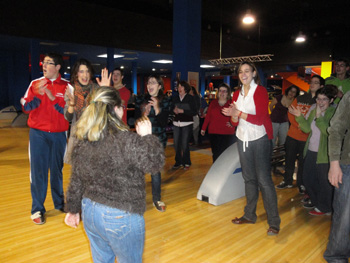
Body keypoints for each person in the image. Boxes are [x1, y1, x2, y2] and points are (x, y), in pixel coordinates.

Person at [64, 86, 164, 263]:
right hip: (120, 215)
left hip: (90, 212)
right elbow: (154, 163)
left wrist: (73, 209)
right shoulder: (127, 140)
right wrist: (147, 137)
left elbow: (76, 180)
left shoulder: (84, 140)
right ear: (117, 109)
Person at [222, 61, 280, 235]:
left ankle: (274, 222)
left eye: (247, 71)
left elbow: (260, 118)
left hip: (259, 138)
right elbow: (235, 122)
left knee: (264, 180)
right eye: (240, 72)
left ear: (254, 73)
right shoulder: (237, 94)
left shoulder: (260, 91)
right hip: (242, 138)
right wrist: (233, 115)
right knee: (248, 179)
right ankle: (249, 215)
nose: (243, 74)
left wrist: (238, 113)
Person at [20, 53, 69, 224]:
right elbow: (25, 107)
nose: (44, 65)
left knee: (57, 170)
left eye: (49, 63)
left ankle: (59, 203)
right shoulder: (34, 84)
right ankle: (37, 209)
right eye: (44, 62)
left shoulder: (67, 87)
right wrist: (37, 94)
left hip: (59, 134)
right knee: (38, 171)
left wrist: (53, 98)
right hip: (38, 134)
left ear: (57, 67)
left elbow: (70, 112)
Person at [289, 85, 337, 216]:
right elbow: (306, 129)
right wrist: (299, 117)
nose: (320, 102)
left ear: (331, 100)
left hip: (325, 154)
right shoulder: (313, 109)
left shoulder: (333, 112)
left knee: (324, 182)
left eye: (324, 100)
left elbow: (328, 131)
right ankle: (318, 202)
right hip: (310, 150)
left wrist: (319, 117)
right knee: (308, 179)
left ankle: (325, 207)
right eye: (318, 99)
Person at [276, 75, 324, 191]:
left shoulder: (320, 101)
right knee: (289, 159)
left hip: (307, 139)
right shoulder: (301, 98)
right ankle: (287, 180)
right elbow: (291, 112)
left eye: (315, 83)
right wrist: (300, 125)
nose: (312, 84)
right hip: (293, 135)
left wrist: (304, 127)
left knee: (303, 163)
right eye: (311, 82)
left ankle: (301, 183)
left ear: (321, 86)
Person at [134, 75, 171, 212]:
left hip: (158, 140)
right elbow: (135, 121)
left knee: (155, 171)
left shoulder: (165, 101)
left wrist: (156, 108)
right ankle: (136, 198)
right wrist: (144, 113)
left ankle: (157, 199)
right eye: (149, 82)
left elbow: (163, 123)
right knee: (138, 170)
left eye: (154, 83)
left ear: (160, 86)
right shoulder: (141, 100)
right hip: (142, 140)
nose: (150, 85)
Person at [64, 58, 111, 164]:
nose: (85, 75)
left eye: (87, 71)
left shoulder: (97, 89)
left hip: (94, 137)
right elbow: (68, 117)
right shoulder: (71, 91)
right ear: (76, 74)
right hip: (78, 138)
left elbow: (107, 110)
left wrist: (105, 90)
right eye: (81, 71)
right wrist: (72, 103)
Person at [323, 92, 350, 262]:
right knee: (344, 218)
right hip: (348, 164)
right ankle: (337, 257)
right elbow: (336, 129)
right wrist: (334, 163)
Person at [201, 83, 236, 162]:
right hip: (214, 132)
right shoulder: (213, 103)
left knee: (226, 154)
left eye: (225, 91)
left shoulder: (231, 103)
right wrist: (203, 128)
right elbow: (208, 116)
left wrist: (232, 123)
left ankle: (225, 172)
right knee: (216, 154)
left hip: (227, 133)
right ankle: (216, 171)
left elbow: (237, 116)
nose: (222, 93)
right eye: (220, 91)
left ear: (228, 93)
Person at [171, 80, 197, 170]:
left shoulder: (190, 98)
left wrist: (183, 111)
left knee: (185, 144)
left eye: (181, 87)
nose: (179, 88)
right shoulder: (175, 98)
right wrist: (173, 110)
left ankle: (187, 162)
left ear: (185, 88)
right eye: (178, 87)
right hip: (176, 123)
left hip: (187, 123)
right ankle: (178, 162)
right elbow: (170, 109)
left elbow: (194, 111)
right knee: (177, 144)